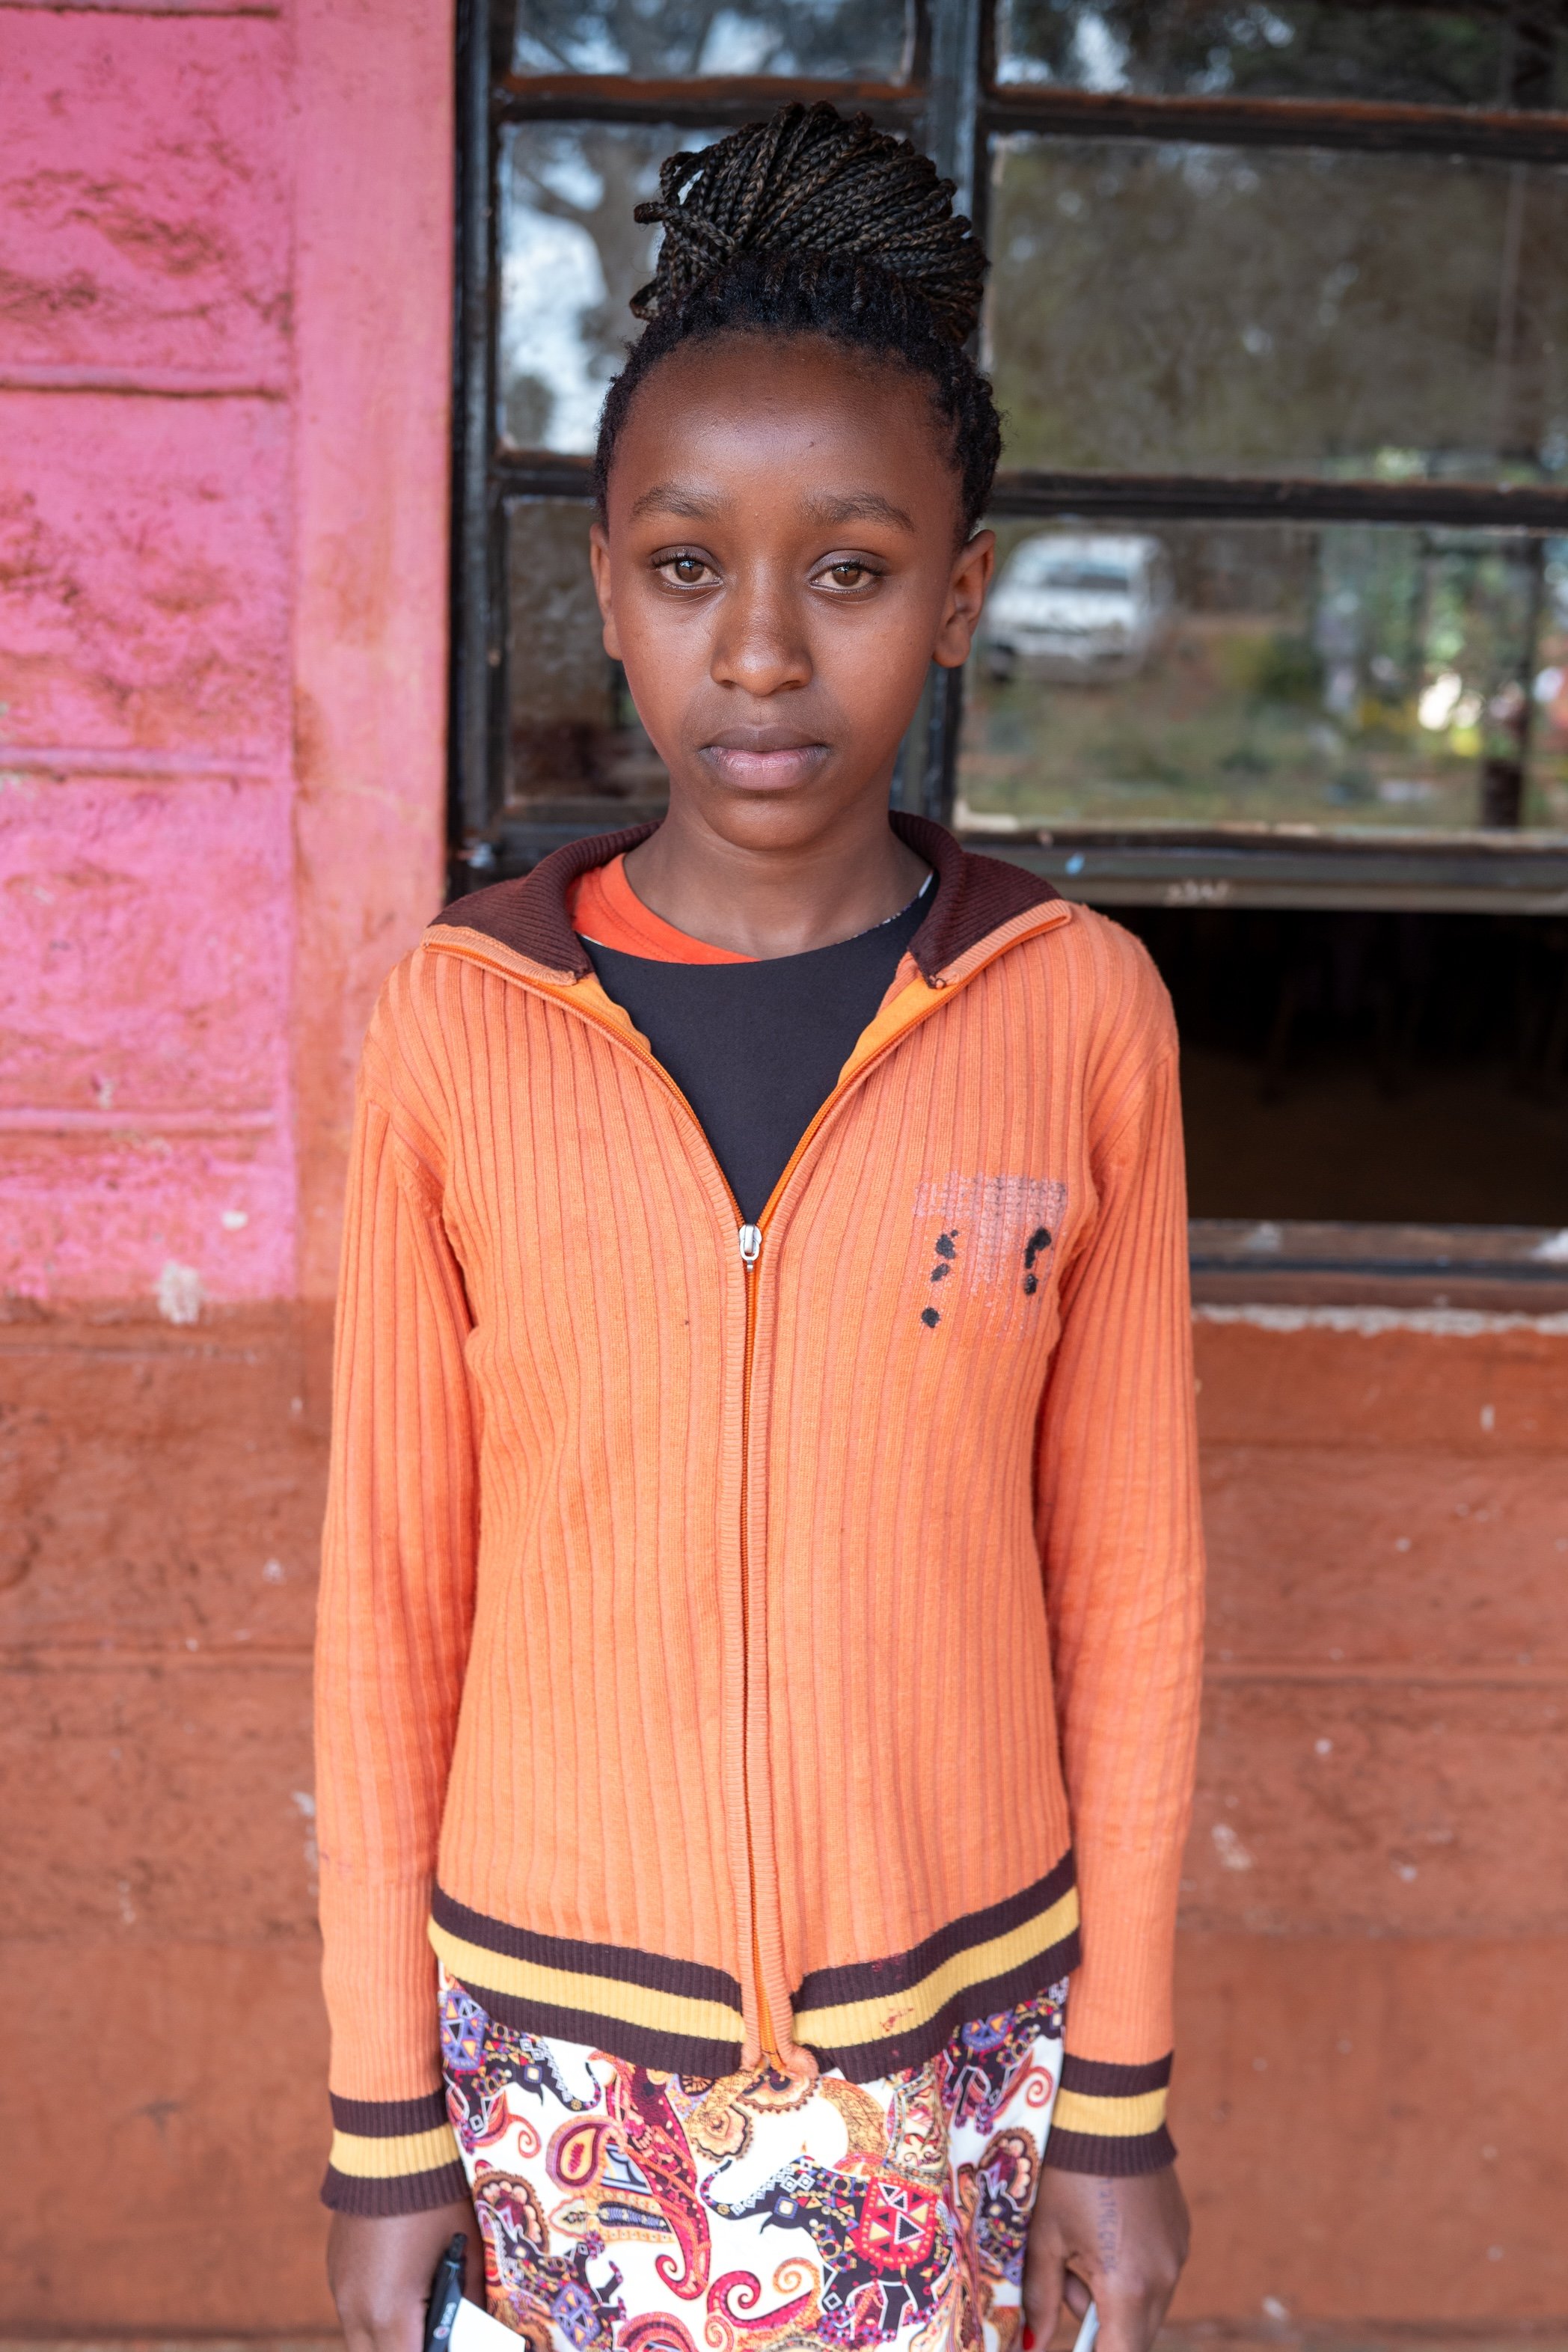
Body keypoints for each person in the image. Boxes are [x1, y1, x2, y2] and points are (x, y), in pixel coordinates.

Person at [318, 101, 1204, 2352]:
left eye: (854, 566)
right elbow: (388, 1599)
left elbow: (1129, 1583)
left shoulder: (1073, 1010)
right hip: (543, 2064)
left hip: (957, 2049)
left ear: (964, 593)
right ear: (606, 588)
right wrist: (380, 2123)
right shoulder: (460, 1025)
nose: (769, 655)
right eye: (693, 568)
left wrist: (1120, 2095)